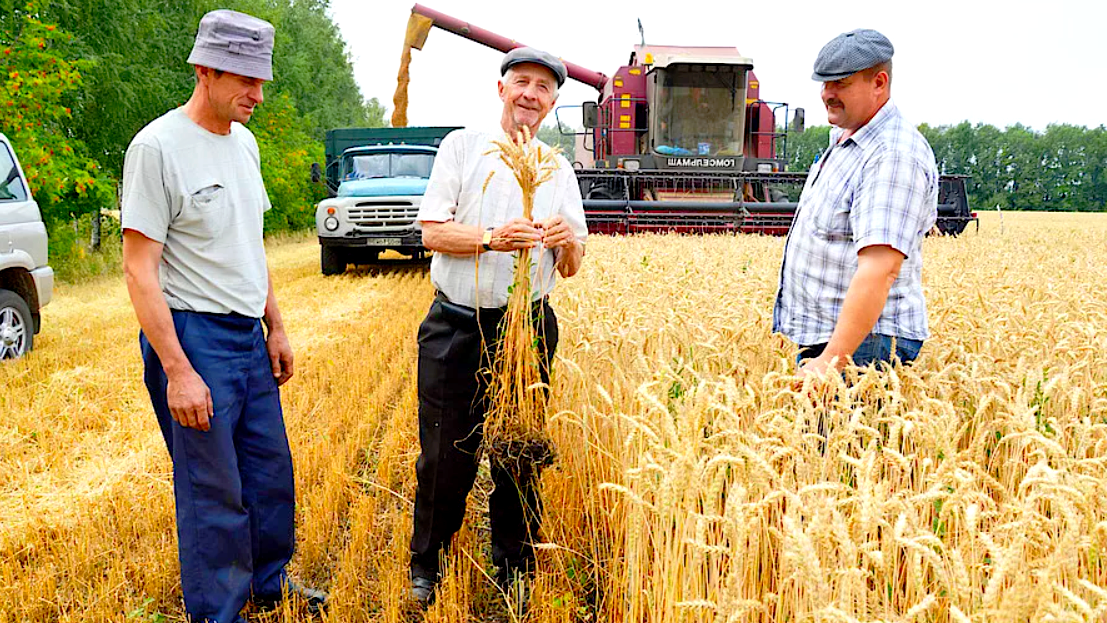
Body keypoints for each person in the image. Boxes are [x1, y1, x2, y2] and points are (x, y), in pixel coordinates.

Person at [120, 10, 325, 622]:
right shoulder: (157, 148)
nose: (257, 94)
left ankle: (268, 581)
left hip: (246, 334)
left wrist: (275, 325)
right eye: (245, 80)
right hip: (194, 336)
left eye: (262, 81)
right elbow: (138, 269)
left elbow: (248, 243)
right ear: (204, 71)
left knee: (268, 473)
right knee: (212, 487)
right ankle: (219, 610)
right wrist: (178, 369)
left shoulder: (245, 143)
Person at [409, 46, 588, 608]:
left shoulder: (558, 168)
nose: (531, 94)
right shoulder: (463, 147)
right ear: (501, 88)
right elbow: (431, 232)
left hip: (529, 326)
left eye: (543, 87)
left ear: (552, 102)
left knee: (519, 450)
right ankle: (428, 564)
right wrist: (491, 239)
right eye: (522, 82)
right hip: (458, 325)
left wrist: (565, 242)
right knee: (444, 455)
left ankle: (513, 565)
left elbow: (573, 264)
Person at [772, 29, 939, 376]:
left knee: (845, 417)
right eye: (824, 83)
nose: (827, 94)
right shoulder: (846, 140)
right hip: (842, 339)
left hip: (864, 345)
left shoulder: (892, 155)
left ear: (879, 83)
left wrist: (832, 360)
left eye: (841, 84)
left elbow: (880, 269)